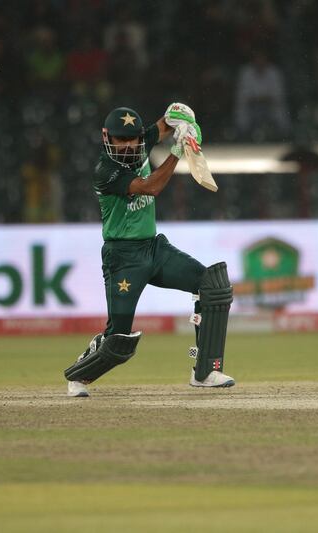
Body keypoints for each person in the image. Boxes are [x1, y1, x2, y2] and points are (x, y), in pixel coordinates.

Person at [63, 103, 235, 397]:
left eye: (133, 139)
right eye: (121, 140)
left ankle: (205, 371)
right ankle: (80, 374)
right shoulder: (105, 170)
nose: (129, 146)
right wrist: (177, 153)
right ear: (107, 138)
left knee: (212, 285)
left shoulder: (142, 141)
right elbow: (150, 187)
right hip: (123, 257)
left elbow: (165, 124)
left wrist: (179, 117)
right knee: (119, 339)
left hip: (154, 248)